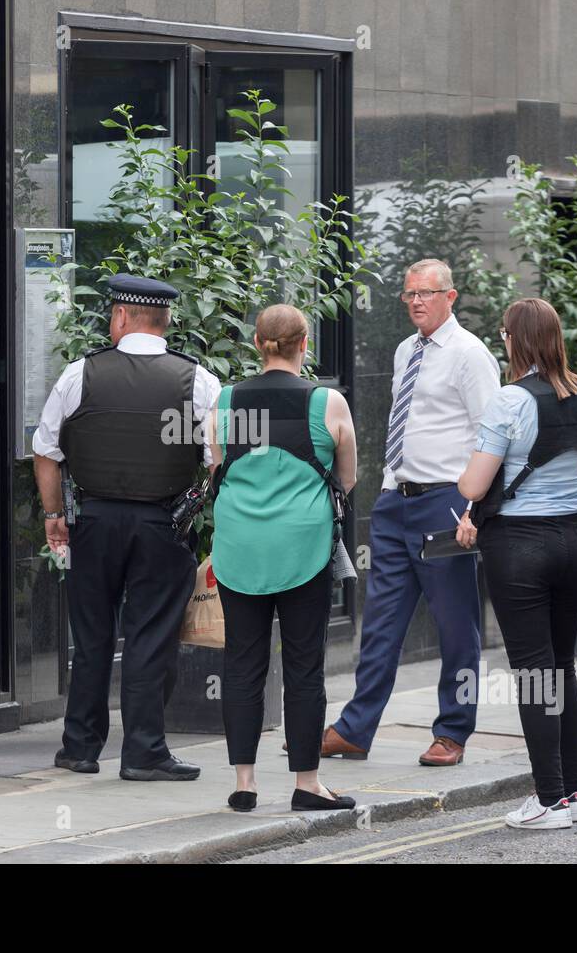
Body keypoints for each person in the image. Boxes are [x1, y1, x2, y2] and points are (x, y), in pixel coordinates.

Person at [33, 275, 221, 781]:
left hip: (92, 523)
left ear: (119, 317)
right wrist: (196, 505)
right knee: (149, 637)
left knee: (91, 635)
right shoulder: (197, 380)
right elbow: (215, 458)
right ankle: (142, 752)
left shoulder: (80, 374)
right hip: (162, 524)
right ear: (165, 321)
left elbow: (46, 452)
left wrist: (54, 516)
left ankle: (80, 748)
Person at [327, 259, 500, 766]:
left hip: (446, 502)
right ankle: (356, 729)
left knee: (455, 624)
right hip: (396, 502)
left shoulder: (470, 355)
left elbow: (491, 436)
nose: (418, 302)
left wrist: (473, 510)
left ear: (452, 296)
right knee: (380, 624)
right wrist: (386, 488)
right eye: (410, 295)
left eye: (428, 293)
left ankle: (453, 732)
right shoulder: (407, 351)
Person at [457, 298, 577, 830]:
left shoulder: (509, 400)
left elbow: (475, 485)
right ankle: (573, 794)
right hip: (576, 540)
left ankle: (547, 799)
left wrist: (467, 483)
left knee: (533, 674)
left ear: (514, 340)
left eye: (504, 335)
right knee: (562, 667)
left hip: (520, 547)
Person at [208, 305, 358, 813]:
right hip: (304, 552)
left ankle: (245, 782)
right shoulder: (326, 403)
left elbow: (213, 465)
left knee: (242, 664)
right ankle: (307, 784)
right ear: (305, 344)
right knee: (303, 666)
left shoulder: (225, 400)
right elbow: (348, 477)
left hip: (238, 551)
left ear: (257, 343)